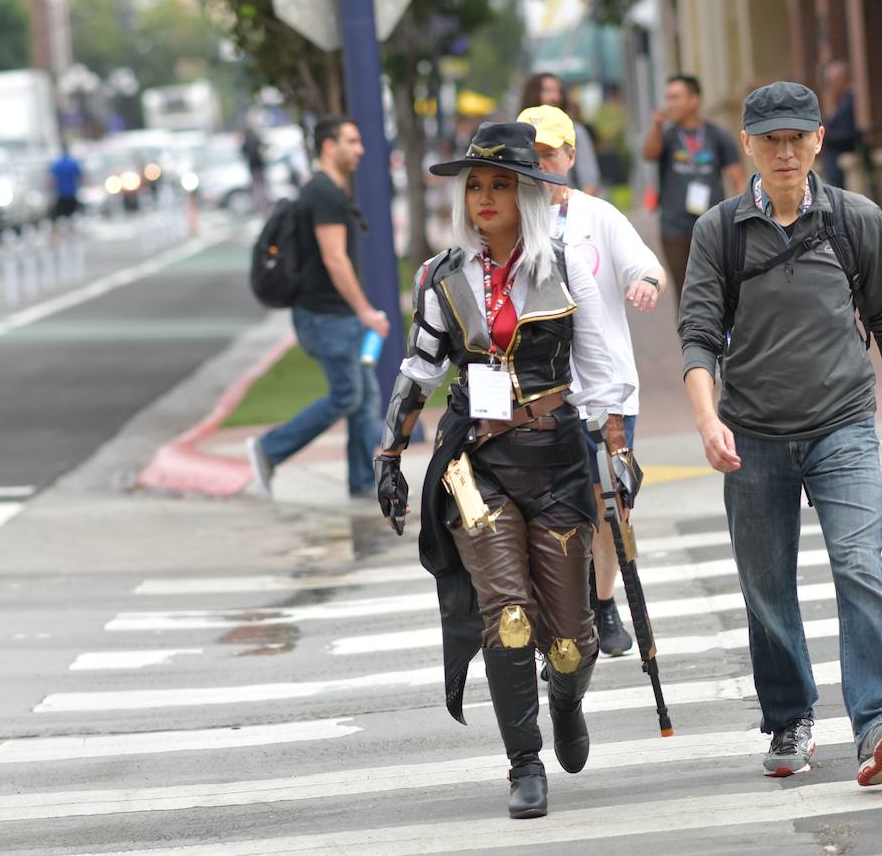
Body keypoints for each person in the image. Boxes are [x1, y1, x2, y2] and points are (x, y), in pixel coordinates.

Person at [375, 121, 634, 819]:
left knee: (572, 644)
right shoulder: (441, 275)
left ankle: (567, 701)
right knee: (509, 617)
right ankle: (524, 763)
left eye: (501, 184)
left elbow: (602, 369)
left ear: (529, 195)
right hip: (474, 463)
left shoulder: (565, 267)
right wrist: (390, 454)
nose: (485, 197)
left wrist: (618, 450)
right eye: (476, 186)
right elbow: (419, 370)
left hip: (556, 461)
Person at [678, 81, 882, 785]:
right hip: (752, 434)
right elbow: (698, 335)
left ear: (818, 140)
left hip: (842, 423)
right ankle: (789, 716)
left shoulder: (856, 219)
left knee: (860, 563)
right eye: (770, 140)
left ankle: (880, 722)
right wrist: (708, 420)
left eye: (797, 137)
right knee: (766, 586)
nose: (785, 152)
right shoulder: (719, 230)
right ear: (748, 145)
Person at [517, 104, 667, 657]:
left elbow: (647, 265)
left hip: (606, 392)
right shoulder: (510, 223)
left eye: (549, 155)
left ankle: (603, 601)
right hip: (538, 396)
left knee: (610, 505)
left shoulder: (596, 216)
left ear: (570, 156)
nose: (540, 166)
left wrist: (646, 283)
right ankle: (559, 621)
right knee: (543, 513)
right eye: (530, 156)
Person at [247, 117, 388, 499]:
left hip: (335, 315)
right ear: (329, 146)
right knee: (348, 396)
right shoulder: (323, 193)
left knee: (365, 401)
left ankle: (363, 483)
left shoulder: (328, 191)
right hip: (326, 316)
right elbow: (335, 259)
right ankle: (268, 449)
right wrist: (365, 311)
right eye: (351, 141)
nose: (360, 150)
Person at [641, 74, 746, 311]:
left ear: (693, 100)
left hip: (713, 227)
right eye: (668, 98)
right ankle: (691, 334)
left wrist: (738, 219)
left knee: (719, 288)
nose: (669, 104)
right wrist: (657, 126)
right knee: (685, 292)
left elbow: (737, 179)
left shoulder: (716, 135)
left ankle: (721, 332)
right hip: (675, 229)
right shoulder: (667, 136)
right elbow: (649, 154)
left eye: (675, 97)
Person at [518, 72, 601, 196]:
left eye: (549, 154)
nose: (555, 97)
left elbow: (589, 180)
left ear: (571, 157)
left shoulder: (574, 131)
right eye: (548, 91)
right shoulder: (518, 130)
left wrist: (577, 206)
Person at [820, 60, 860, 188]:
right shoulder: (841, 101)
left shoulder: (851, 99)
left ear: (842, 79)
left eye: (832, 82)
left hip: (845, 148)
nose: (831, 87)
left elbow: (848, 129)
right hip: (835, 154)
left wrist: (825, 136)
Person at [49, 146, 83, 220]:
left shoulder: (57, 164)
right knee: (73, 215)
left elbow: (53, 180)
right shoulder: (73, 163)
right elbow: (79, 177)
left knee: (62, 216)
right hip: (72, 192)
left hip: (62, 193)